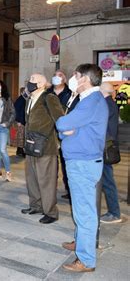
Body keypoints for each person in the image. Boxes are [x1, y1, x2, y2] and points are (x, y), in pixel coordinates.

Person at [56, 64, 108, 272]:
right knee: (80, 208)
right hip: (80, 160)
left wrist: (67, 128)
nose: (72, 79)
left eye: (75, 75)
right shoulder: (86, 100)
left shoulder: (92, 101)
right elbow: (65, 130)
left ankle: (86, 259)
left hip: (83, 163)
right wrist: (68, 130)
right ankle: (81, 242)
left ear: (85, 79)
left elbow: (61, 123)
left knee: (85, 211)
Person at [22, 74, 64, 224]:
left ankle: (51, 212)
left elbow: (60, 119)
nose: (29, 82)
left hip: (46, 146)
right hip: (31, 144)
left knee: (46, 180)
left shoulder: (49, 98)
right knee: (31, 178)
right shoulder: (30, 99)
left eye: (32, 80)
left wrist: (58, 139)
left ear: (40, 84)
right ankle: (36, 205)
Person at [48, 70, 79, 199]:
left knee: (66, 162)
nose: (56, 77)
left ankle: (69, 189)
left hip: (65, 132)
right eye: (55, 74)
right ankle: (50, 188)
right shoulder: (48, 93)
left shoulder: (70, 93)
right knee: (50, 162)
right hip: (50, 132)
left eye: (60, 75)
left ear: (65, 80)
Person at [100, 82, 122, 224]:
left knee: (108, 182)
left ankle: (114, 213)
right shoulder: (109, 103)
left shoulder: (106, 104)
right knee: (106, 181)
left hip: (105, 148)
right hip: (106, 146)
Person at [12, 87, 28, 158]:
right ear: (22, 92)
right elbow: (16, 111)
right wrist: (18, 120)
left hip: (24, 121)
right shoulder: (20, 99)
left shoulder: (26, 99)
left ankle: (20, 151)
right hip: (20, 121)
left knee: (22, 137)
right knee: (20, 137)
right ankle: (20, 151)